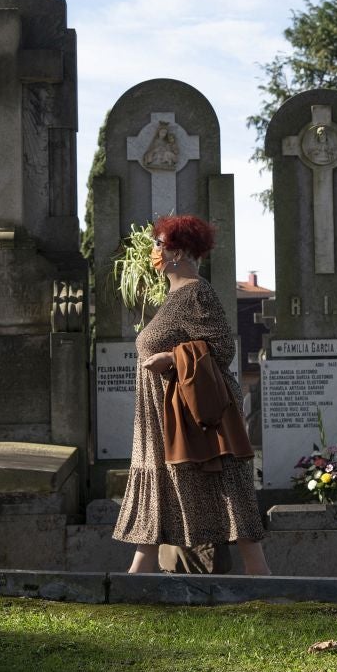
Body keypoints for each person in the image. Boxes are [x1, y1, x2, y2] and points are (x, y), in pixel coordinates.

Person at [111, 215, 271, 575]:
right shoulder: (172, 297)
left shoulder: (196, 292)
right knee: (161, 501)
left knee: (228, 494)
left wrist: (171, 357)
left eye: (158, 245)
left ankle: (265, 586)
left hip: (192, 421)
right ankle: (134, 584)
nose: (153, 251)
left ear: (177, 252)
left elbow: (221, 349)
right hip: (161, 418)